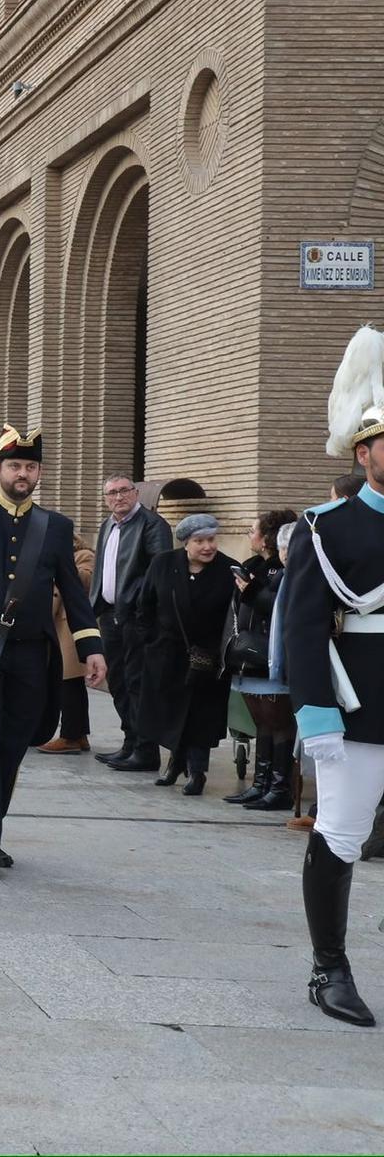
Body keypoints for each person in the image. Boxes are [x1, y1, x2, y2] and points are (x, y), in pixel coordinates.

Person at [0, 426, 106, 871]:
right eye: (14, 465)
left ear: (39, 473)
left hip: (33, 654)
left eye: (30, 467)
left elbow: (74, 593)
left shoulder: (55, 527)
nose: (22, 474)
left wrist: (92, 648)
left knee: (14, 744)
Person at [281, 325, 384, 1026]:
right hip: (361, 706)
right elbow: (304, 628)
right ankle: (330, 968)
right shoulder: (328, 525)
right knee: (343, 833)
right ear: (365, 450)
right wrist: (315, 714)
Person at [134, 515, 236, 795]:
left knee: (200, 715)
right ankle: (175, 763)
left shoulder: (229, 569)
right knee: (172, 713)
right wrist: (151, 641)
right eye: (199, 541)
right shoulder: (163, 564)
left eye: (211, 539)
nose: (207, 546)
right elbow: (145, 606)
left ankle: (198, 771)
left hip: (208, 658)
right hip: (167, 654)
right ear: (186, 543)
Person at [91, 473, 175, 772]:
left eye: (124, 491)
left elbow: (159, 572)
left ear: (135, 493)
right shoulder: (107, 525)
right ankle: (130, 742)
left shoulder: (153, 525)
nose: (118, 497)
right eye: (111, 493)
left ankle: (146, 749)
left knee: (138, 683)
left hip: (137, 618)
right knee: (119, 682)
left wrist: (139, 606)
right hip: (110, 615)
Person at [231, 512, 299, 810]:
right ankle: (261, 784)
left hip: (271, 655)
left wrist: (252, 590)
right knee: (261, 722)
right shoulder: (255, 566)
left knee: (278, 721)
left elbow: (279, 607)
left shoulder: (284, 571)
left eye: (253, 530)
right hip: (248, 657)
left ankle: (280, 786)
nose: (249, 535)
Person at [38, 537, 98, 755]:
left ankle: (70, 736)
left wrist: (61, 564)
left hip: (68, 626)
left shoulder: (84, 555)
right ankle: (78, 734)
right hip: (53, 624)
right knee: (68, 684)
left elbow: (87, 580)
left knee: (68, 683)